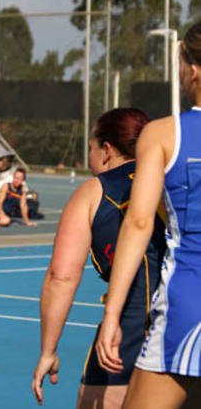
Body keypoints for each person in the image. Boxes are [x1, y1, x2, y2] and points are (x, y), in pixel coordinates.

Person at [96, 22, 201, 408]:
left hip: (190, 305)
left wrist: (112, 315)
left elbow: (138, 223)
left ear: (191, 69)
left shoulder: (162, 134)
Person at [31, 108, 163, 408]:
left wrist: (48, 351)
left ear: (105, 150)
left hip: (129, 330)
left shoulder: (96, 192)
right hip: (185, 323)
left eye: (90, 147)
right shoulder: (174, 182)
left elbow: (61, 276)